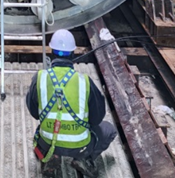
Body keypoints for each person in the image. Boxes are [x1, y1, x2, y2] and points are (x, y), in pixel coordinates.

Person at [26, 29, 117, 177]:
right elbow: (97, 118)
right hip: (80, 146)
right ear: (73, 54)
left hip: (48, 142)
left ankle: (51, 156)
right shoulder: (84, 81)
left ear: (52, 52)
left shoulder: (40, 77)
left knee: (42, 129)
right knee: (109, 130)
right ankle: (83, 159)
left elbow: (34, 112)